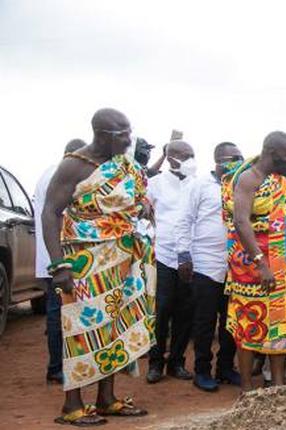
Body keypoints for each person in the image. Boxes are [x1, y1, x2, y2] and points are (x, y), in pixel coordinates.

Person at [42, 108, 153, 425]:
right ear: (103, 135)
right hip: (84, 260)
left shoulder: (124, 166)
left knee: (115, 328)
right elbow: (51, 212)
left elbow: (136, 196)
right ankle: (72, 405)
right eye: (124, 134)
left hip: (122, 257)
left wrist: (142, 205)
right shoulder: (74, 165)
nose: (130, 140)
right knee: (81, 327)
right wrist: (58, 265)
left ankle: (107, 398)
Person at [223, 131, 286, 391]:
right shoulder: (248, 178)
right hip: (252, 268)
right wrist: (260, 262)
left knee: (279, 324)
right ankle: (246, 388)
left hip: (281, 267)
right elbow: (241, 221)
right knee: (248, 326)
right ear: (273, 153)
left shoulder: (280, 180)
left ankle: (276, 384)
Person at [174, 142, 243, 392]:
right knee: (204, 321)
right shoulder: (199, 185)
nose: (238, 160)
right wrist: (183, 256)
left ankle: (225, 368)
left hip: (235, 265)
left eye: (240, 157)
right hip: (205, 263)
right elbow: (184, 220)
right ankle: (201, 370)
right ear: (218, 160)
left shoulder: (241, 185)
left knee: (230, 321)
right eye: (233, 158)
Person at [33, 138, 87, 385]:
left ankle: (59, 365)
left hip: (51, 257)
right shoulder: (61, 175)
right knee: (58, 314)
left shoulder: (48, 173)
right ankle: (57, 367)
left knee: (57, 313)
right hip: (59, 258)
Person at [146, 140, 197, 383]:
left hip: (190, 257)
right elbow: (143, 214)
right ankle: (155, 363)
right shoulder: (154, 184)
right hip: (163, 255)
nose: (191, 160)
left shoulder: (197, 185)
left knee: (185, 311)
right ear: (170, 157)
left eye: (193, 155)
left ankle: (176, 362)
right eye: (186, 156)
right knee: (161, 310)